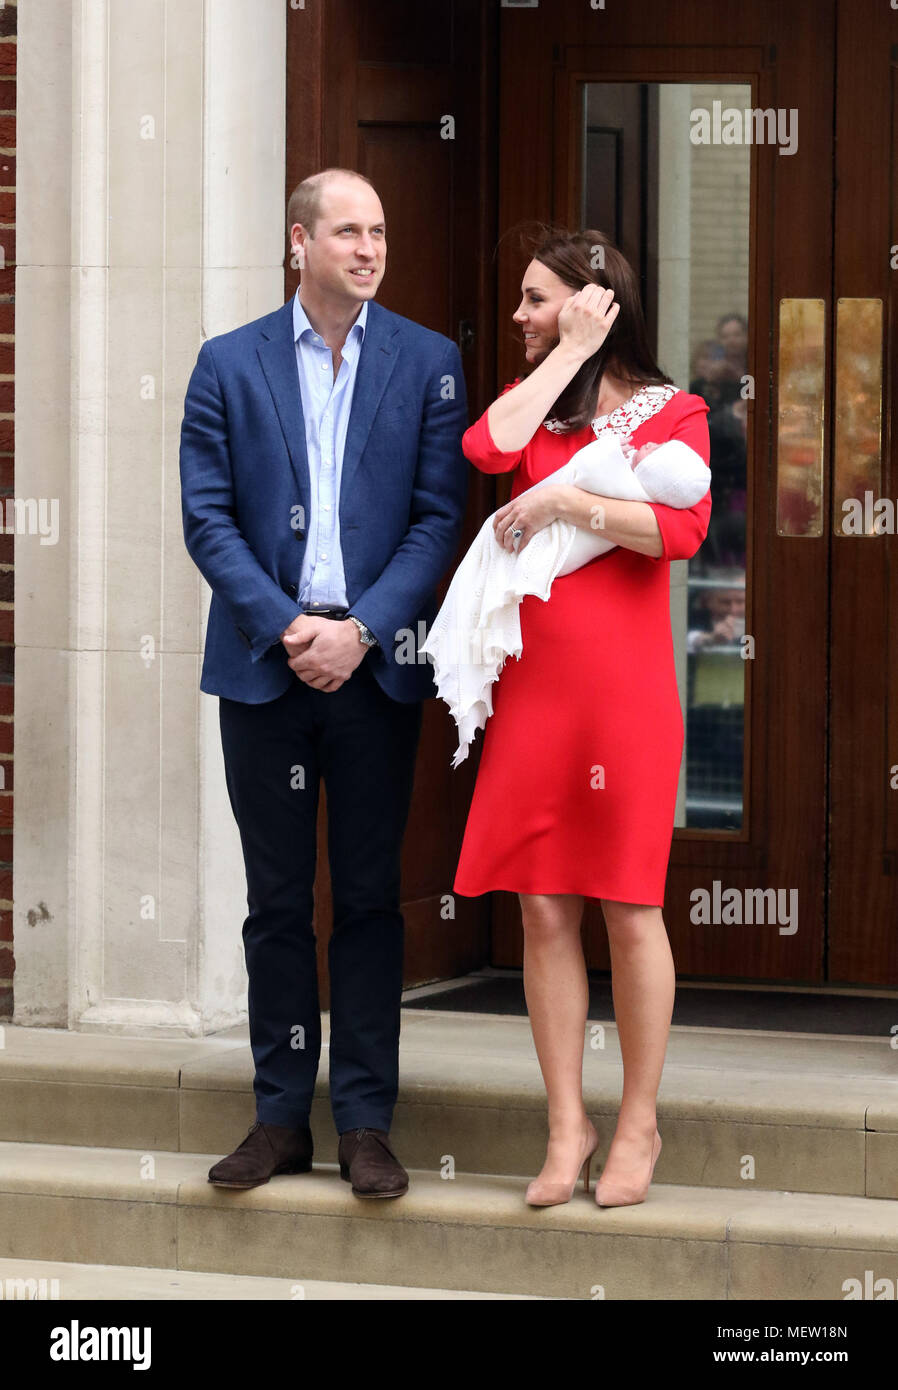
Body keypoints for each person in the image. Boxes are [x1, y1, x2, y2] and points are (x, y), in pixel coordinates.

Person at [179, 168, 468, 1197]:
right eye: (346, 229)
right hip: (265, 670)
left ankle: (364, 1121)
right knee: (275, 903)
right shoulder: (227, 363)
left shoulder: (428, 361)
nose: (368, 246)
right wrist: (289, 624)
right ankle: (276, 1117)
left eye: (378, 230)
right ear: (297, 240)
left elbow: (439, 517)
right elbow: (206, 518)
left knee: (368, 901)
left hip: (374, 675)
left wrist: (365, 631)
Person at [453, 227, 711, 1209]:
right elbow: (490, 446)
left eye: (534, 299)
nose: (516, 315)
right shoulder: (542, 405)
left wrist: (566, 504)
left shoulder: (672, 409)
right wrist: (566, 350)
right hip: (536, 686)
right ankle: (567, 1123)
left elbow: (676, 530)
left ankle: (638, 1119)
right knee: (542, 903)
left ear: (589, 298)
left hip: (624, 693)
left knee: (628, 904)